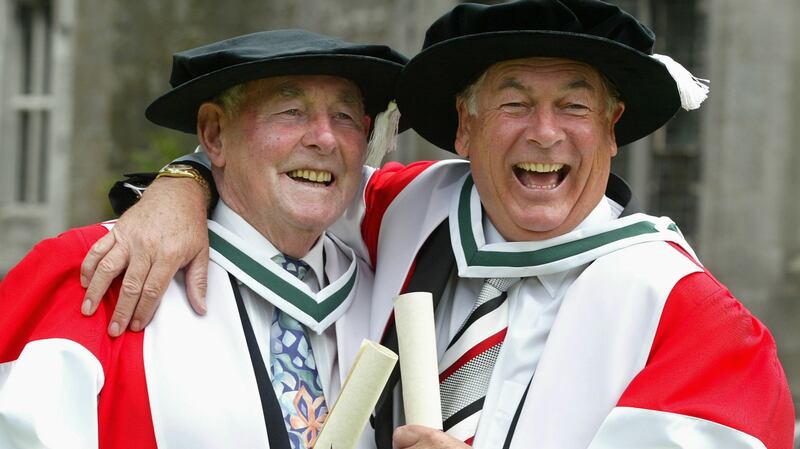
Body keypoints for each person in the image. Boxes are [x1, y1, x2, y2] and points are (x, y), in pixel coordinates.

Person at [78, 1, 796, 449]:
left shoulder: (690, 319)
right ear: (463, 127)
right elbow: (285, 177)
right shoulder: (409, 211)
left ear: (613, 129)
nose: (545, 134)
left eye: (574, 106)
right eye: (514, 102)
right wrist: (180, 183)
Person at [0, 29, 407, 449]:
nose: (324, 138)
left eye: (344, 117)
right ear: (213, 135)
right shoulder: (99, 271)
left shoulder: (394, 288)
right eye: (291, 111)